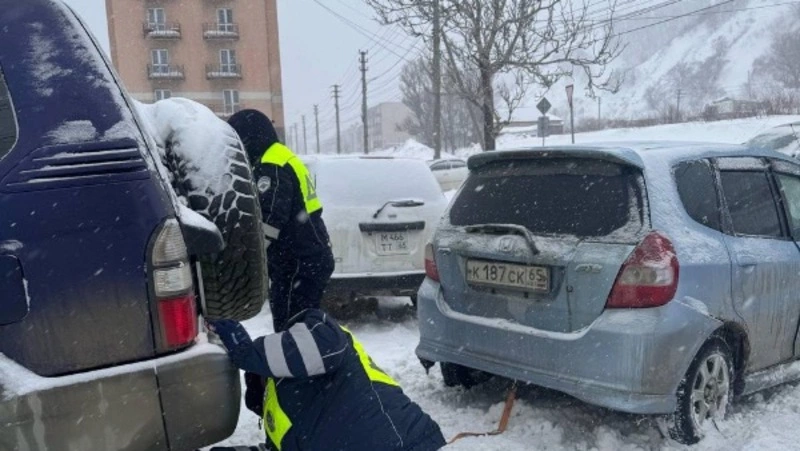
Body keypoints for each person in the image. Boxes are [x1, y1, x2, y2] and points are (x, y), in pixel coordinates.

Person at [207, 310, 447, 451]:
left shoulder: (319, 338)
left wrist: (251, 353)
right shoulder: (296, 414)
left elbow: (325, 342)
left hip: (407, 445)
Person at [228, 110, 335, 332]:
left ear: (248, 138)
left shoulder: (272, 164)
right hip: (307, 259)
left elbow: (270, 218)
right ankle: (308, 363)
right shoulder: (280, 155)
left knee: (291, 329)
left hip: (298, 263)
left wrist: (247, 256)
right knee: (305, 327)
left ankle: (298, 365)